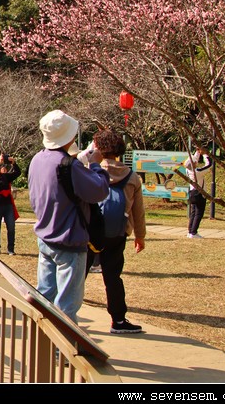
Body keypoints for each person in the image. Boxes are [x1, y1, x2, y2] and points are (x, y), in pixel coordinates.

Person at [28, 110, 109, 324]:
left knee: (44, 296)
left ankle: (40, 338)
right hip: (69, 240)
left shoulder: (37, 159)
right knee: (67, 306)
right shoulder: (68, 166)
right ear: (69, 136)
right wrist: (96, 165)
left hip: (45, 236)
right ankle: (63, 343)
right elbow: (99, 190)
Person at [86, 129, 147, 334]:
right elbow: (138, 211)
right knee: (113, 277)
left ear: (97, 148)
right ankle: (118, 320)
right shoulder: (132, 177)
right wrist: (140, 236)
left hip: (91, 234)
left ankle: (67, 317)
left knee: (78, 276)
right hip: (117, 233)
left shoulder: (89, 171)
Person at [183, 146, 213, 238]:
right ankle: (194, 232)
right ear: (193, 164)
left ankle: (190, 232)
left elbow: (193, 160)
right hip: (199, 194)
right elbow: (209, 165)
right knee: (198, 213)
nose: (196, 162)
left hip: (192, 193)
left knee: (193, 213)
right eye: (195, 162)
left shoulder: (187, 170)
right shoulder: (197, 172)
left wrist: (198, 152)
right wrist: (205, 154)